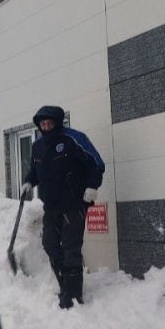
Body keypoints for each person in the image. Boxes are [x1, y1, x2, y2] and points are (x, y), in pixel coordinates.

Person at [21, 105, 104, 309]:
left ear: (58, 123)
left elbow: (96, 163)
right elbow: (35, 170)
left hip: (74, 203)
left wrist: (92, 186)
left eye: (50, 123)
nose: (47, 127)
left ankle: (73, 297)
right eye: (43, 124)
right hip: (51, 206)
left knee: (70, 248)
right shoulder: (37, 146)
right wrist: (29, 182)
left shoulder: (73, 138)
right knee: (50, 244)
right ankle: (65, 285)